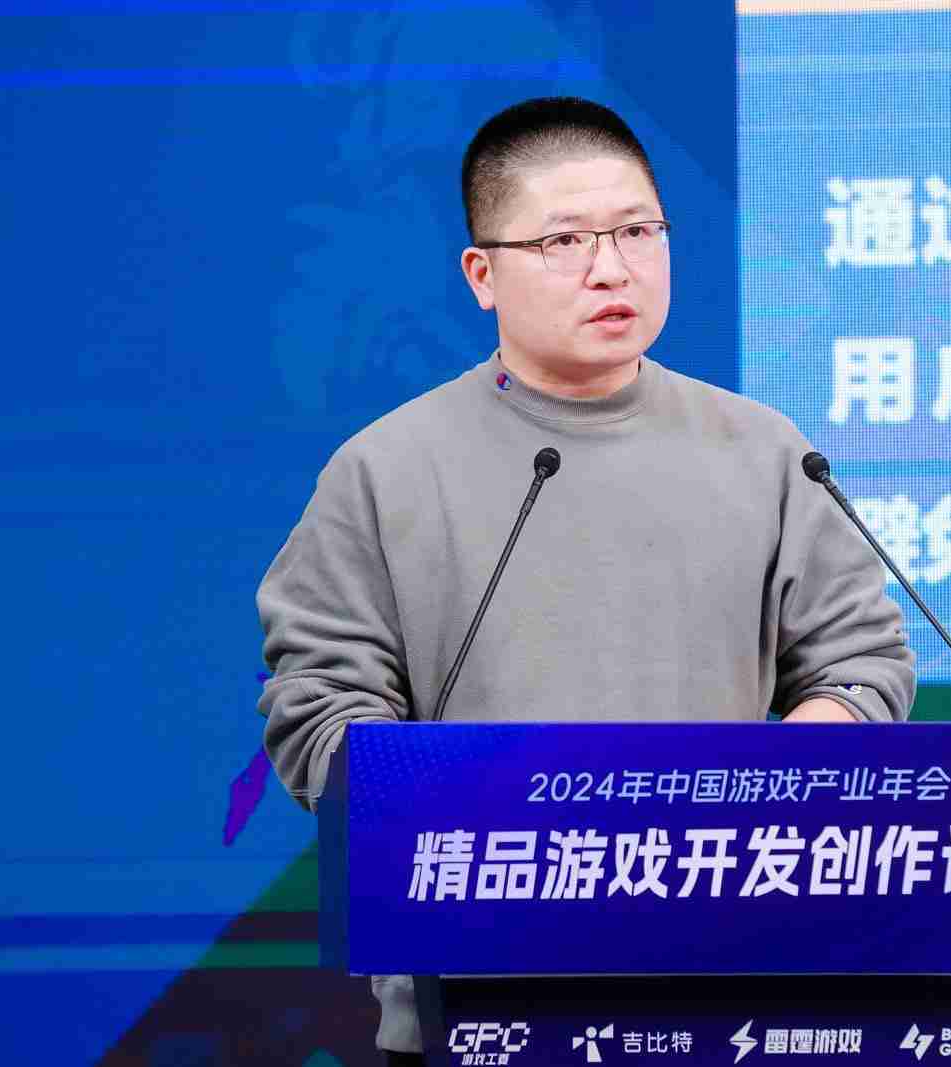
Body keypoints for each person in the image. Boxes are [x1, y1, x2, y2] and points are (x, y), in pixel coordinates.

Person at [256, 96, 917, 1061]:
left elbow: (861, 663)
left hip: (727, 997)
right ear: (482, 274)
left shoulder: (768, 453)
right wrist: (471, 812)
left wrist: (769, 790)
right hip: (473, 1002)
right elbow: (318, 710)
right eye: (563, 241)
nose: (612, 267)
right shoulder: (384, 471)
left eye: (638, 231)